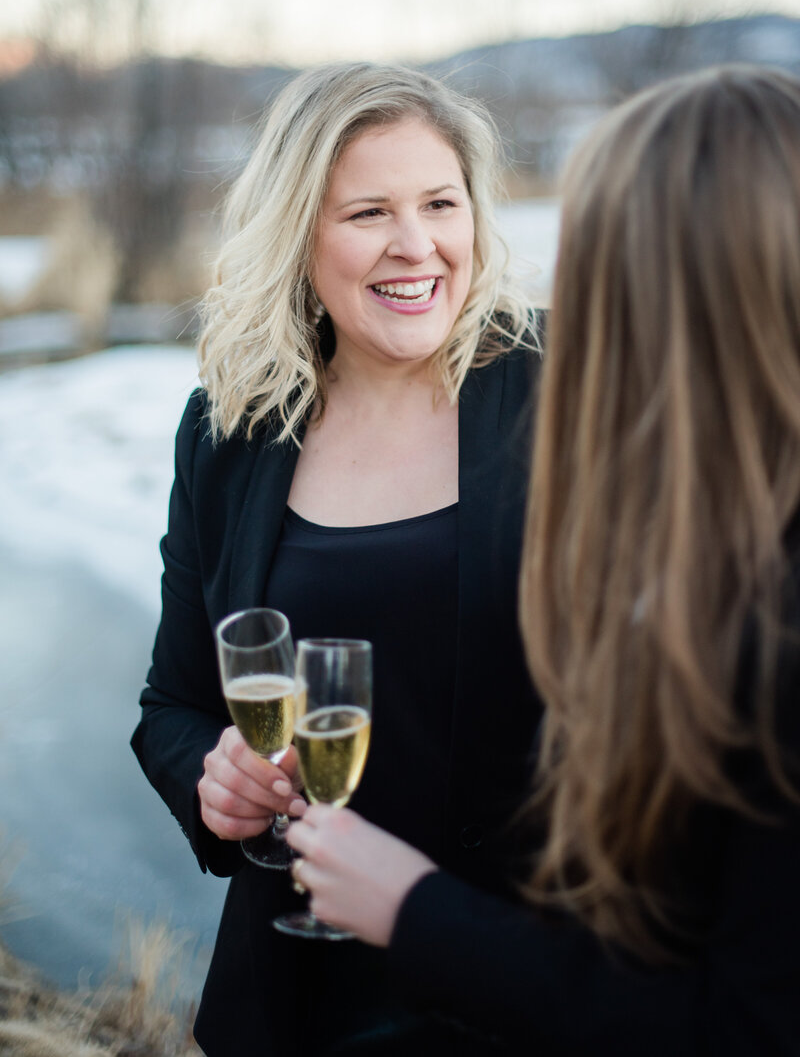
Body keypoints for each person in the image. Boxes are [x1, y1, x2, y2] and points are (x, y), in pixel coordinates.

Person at [286, 64, 800, 1055]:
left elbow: (744, 1022)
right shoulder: (725, 531)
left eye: (596, 266)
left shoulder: (771, 627)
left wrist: (422, 913)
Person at [131, 62, 542, 1056]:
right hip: (295, 986)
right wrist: (212, 781)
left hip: (524, 972)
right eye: (368, 212)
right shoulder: (231, 430)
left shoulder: (563, 395)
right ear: (299, 235)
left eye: (439, 202)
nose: (417, 245)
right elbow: (172, 707)